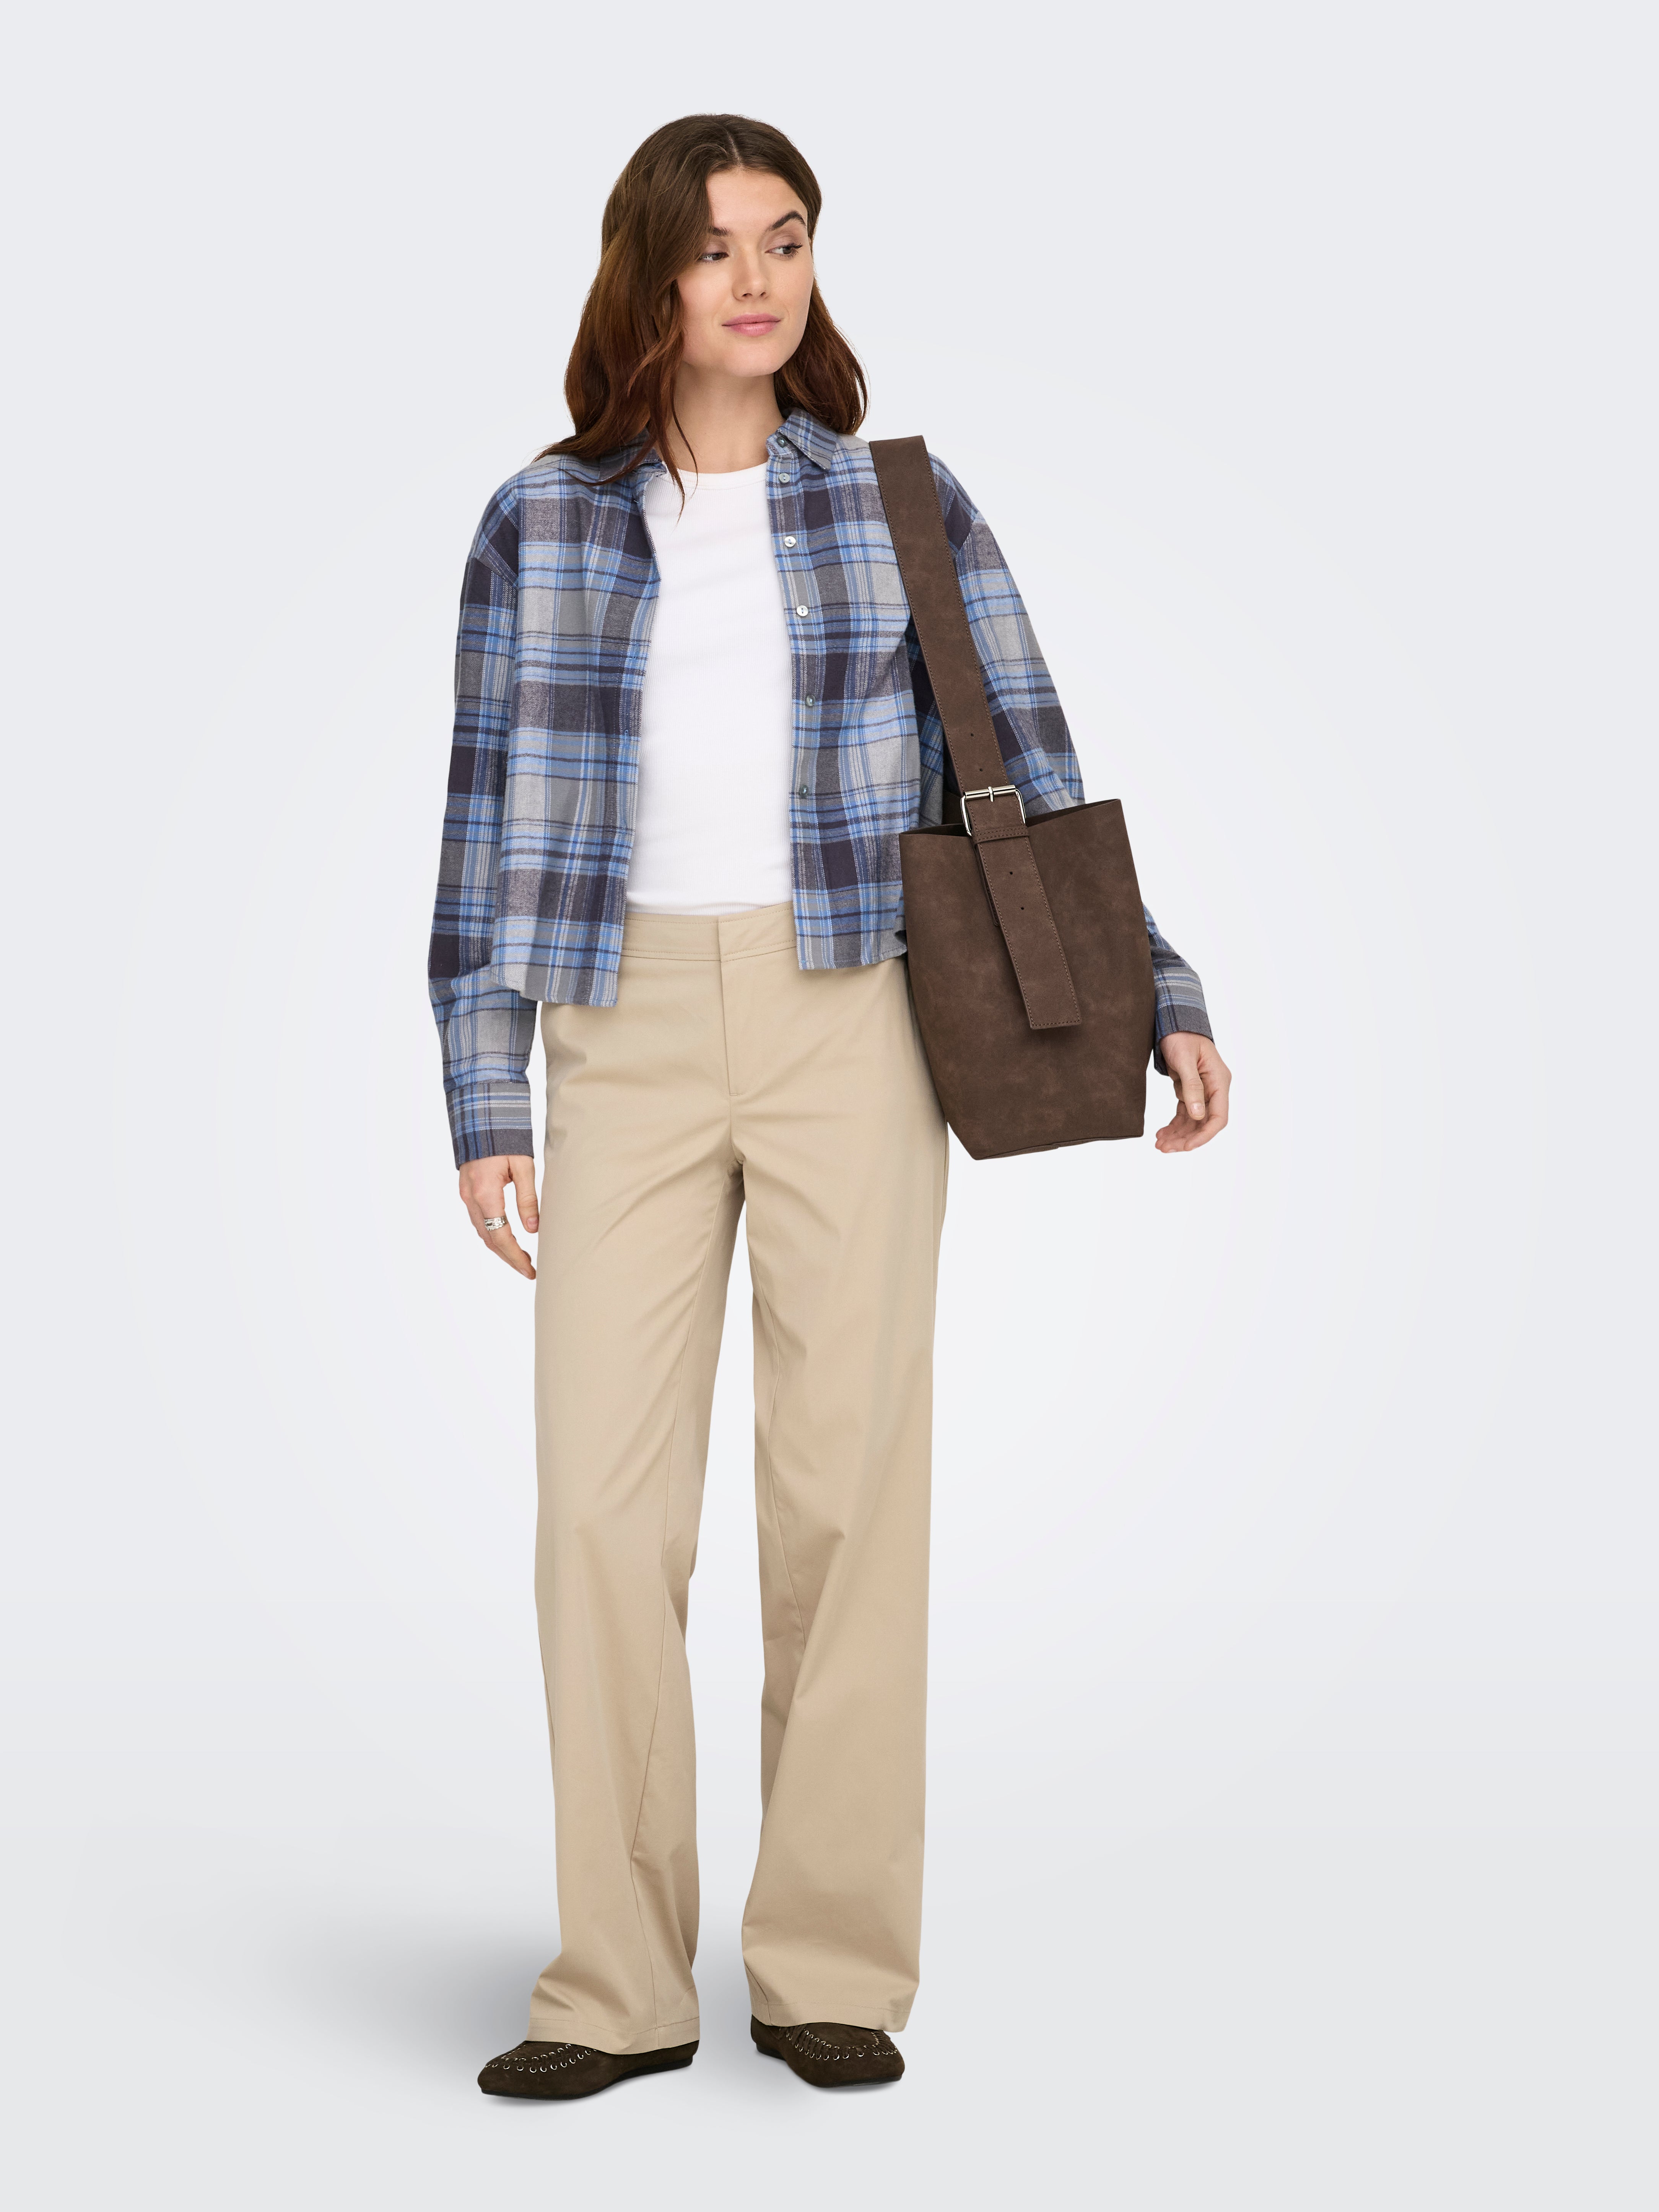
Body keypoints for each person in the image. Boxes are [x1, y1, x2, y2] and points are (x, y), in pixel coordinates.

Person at [428, 113, 1231, 2101]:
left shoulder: (896, 501)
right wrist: (481, 1084)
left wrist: (1160, 996)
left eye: (784, 239)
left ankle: (830, 1965)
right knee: (599, 1515)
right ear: (648, 275)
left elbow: (1029, 765)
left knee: (847, 1493)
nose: (757, 280)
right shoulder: (540, 520)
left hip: (852, 1008)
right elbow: (478, 818)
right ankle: (616, 1985)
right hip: (616, 1026)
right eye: (715, 249)